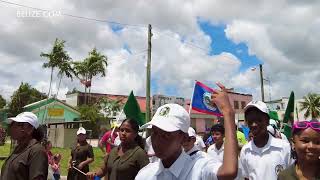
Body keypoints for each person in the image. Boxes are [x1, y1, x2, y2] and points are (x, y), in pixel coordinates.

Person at [135, 82, 238, 180]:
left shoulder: (200, 168)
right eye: (155, 133)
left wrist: (228, 112)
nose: (157, 140)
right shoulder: (145, 174)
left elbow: (228, 172)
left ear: (184, 138)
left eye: (166, 135)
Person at [239, 101, 292, 180]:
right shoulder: (245, 150)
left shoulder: (284, 147)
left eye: (259, 120)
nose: (254, 125)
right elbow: (246, 177)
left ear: (267, 121)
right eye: (250, 121)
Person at [1, 112, 48, 180]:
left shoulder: (37, 151)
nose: (11, 127)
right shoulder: (18, 149)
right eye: (11, 124)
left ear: (30, 129)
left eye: (16, 124)